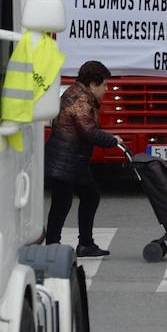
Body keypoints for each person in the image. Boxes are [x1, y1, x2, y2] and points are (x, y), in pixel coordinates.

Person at [44, 60, 125, 256]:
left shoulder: (75, 92)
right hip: (66, 161)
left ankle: (78, 243)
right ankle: (60, 246)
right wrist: (112, 140)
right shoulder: (80, 100)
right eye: (104, 85)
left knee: (81, 198)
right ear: (92, 84)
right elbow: (88, 131)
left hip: (71, 159)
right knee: (66, 202)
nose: (106, 89)